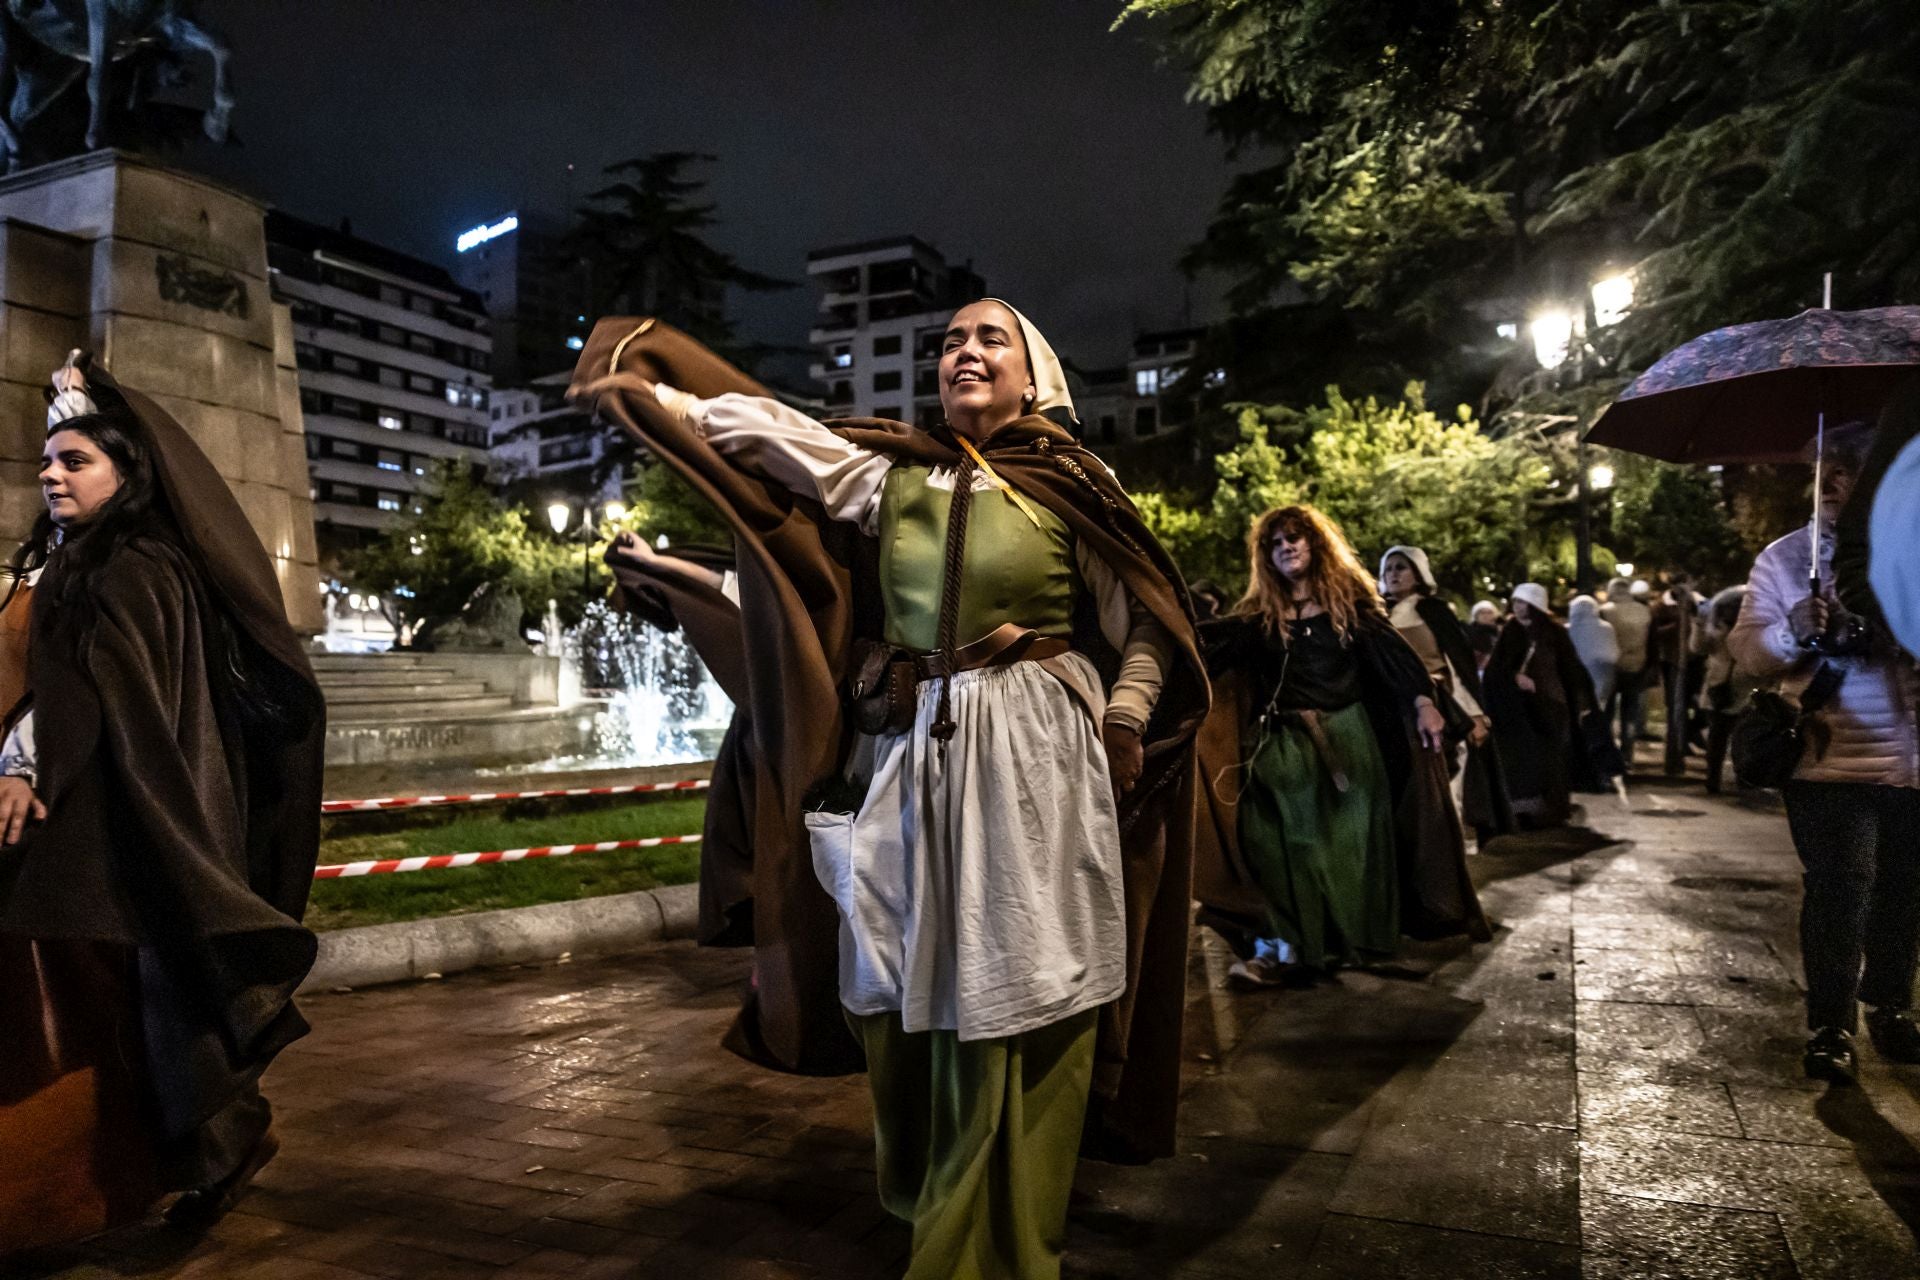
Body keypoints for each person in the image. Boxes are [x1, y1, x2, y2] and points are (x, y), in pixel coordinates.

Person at [571, 304, 1209, 1278]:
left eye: (990, 338)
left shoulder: (1078, 484)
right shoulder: (893, 478)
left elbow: (1149, 621)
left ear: (1034, 377)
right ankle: (929, 1175)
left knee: (1025, 980)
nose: (965, 350)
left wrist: (1125, 717)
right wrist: (656, 397)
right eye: (952, 340)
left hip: (1038, 744)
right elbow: (771, 432)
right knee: (892, 971)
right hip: (921, 749)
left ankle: (995, 1233)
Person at [0, 359, 325, 1250]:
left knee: (168, 987)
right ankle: (170, 1158)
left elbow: (108, 696)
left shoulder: (135, 567)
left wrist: (28, 763)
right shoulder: (93, 561)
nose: (53, 477)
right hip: (126, 802)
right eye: (47, 464)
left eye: (76, 462)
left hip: (150, 806)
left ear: (126, 473)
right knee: (149, 990)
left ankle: (212, 1153)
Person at [1193, 507, 1485, 987]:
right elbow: (1201, 649)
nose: (1287, 547)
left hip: (1348, 742)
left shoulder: (1351, 608)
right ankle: (1284, 945)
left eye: (1296, 538)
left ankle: (1335, 947)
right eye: (1277, 542)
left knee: (1348, 854)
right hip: (1280, 746)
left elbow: (1396, 659)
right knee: (1276, 846)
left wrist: (1422, 702)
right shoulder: (1257, 619)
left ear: (1316, 545)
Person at [1729, 418, 1920, 1084]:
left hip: (1912, 756)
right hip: (1829, 755)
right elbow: (1748, 653)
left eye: (1851, 470)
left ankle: (1891, 1005)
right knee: (1843, 888)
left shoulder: (1909, 547)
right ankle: (1831, 1022)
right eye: (1824, 471)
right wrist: (1792, 630)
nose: (1835, 483)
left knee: (1904, 890)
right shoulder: (1786, 560)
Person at [1378, 546, 1512, 844]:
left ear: (1418, 572)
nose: (1394, 574)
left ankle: (1449, 843)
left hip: (1441, 701)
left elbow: (1456, 665)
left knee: (1449, 774)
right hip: (1393, 708)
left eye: (1401, 567)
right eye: (1389, 569)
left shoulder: (1436, 612)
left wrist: (1473, 711)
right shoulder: (1376, 615)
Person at [1483, 583, 1600, 828]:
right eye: (1516, 602)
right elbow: (1497, 669)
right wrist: (1514, 678)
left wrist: (1579, 703)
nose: (1518, 607)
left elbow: (1570, 668)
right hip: (1518, 709)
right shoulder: (1511, 631)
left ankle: (1553, 809)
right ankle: (1524, 809)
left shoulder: (1554, 632)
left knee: (1554, 757)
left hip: (1551, 704)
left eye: (1524, 602)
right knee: (1524, 759)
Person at [1567, 594, 1628, 795]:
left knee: (1581, 732)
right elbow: (1612, 656)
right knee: (1600, 730)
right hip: (1601, 688)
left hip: (1578, 692)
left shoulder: (1567, 631)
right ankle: (1601, 773)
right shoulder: (1606, 630)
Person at [1696, 585, 1753, 795]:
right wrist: (1699, 623)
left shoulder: (1752, 628)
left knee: (1740, 740)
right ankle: (1714, 779)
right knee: (1718, 740)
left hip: (1744, 690)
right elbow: (1697, 647)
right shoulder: (1716, 628)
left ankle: (1741, 780)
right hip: (1719, 689)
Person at [1601, 575, 1652, 750]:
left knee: (1607, 712)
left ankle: (1607, 750)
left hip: (1611, 666)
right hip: (1636, 665)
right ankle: (1627, 752)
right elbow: (1651, 640)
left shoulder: (1606, 610)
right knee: (1630, 713)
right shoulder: (1643, 610)